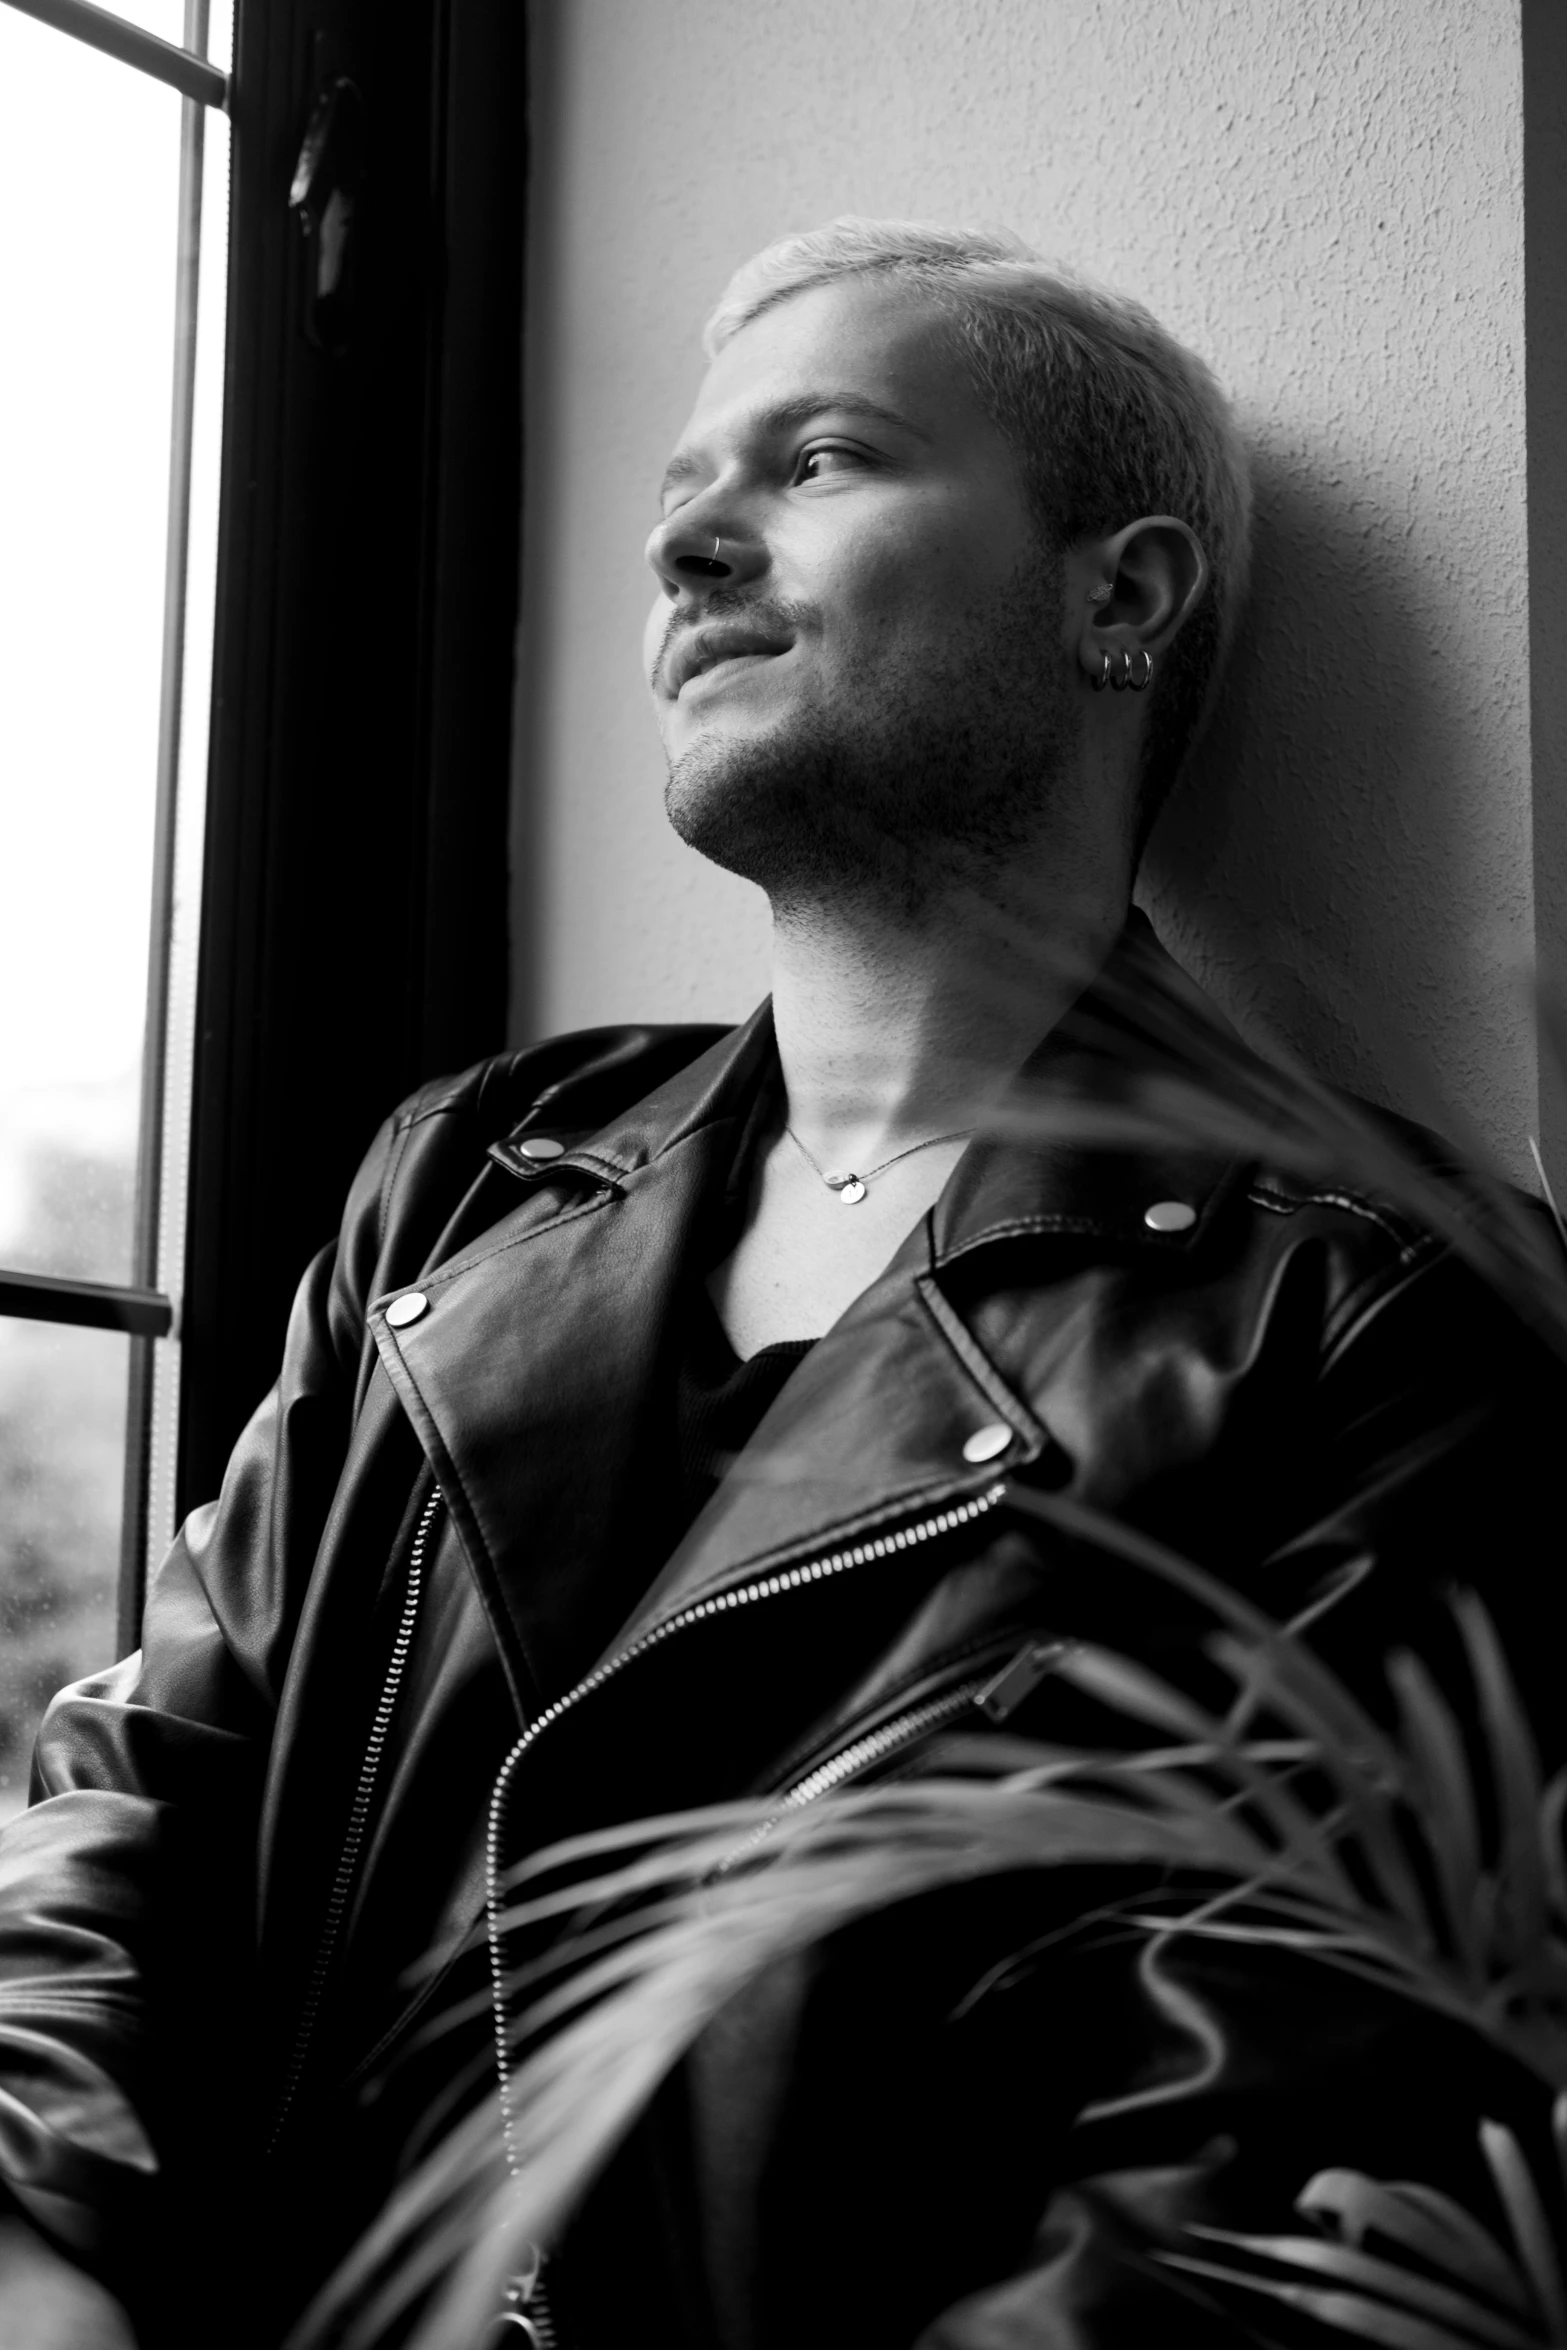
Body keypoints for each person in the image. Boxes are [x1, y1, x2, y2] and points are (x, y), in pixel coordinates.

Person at [0, 218, 1559, 2350]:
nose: (689, 553)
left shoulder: (1378, 1321)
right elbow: (140, 1792)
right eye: (679, 496)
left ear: (1123, 591)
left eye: (818, 460)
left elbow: (1259, 2179)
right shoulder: (465, 1178)